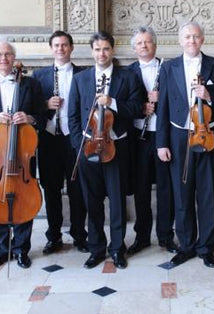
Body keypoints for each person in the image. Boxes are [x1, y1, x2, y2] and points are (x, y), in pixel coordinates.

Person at [156, 22, 214, 268]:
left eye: (196, 36)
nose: (191, 40)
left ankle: (206, 247)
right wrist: (162, 143)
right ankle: (187, 245)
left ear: (202, 40)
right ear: (180, 40)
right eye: (187, 36)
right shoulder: (169, 67)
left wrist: (209, 96)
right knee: (182, 195)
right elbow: (163, 107)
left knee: (208, 194)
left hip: (208, 137)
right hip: (179, 138)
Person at [68, 31, 145, 269]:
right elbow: (72, 114)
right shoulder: (81, 79)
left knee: (117, 201)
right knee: (92, 201)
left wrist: (111, 102)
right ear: (92, 52)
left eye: (106, 49)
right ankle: (96, 248)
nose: (102, 54)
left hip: (116, 148)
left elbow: (136, 109)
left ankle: (117, 249)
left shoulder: (128, 77)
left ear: (113, 50)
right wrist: (78, 145)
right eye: (97, 49)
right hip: (88, 148)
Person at [0, 41, 45, 269]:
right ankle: (1, 250)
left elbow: (42, 117)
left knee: (25, 199)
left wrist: (30, 119)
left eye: (8, 54)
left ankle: (22, 250)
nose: (3, 58)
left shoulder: (30, 85)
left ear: (14, 58)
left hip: (23, 154)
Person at [32, 31, 88, 255]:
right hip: (48, 139)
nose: (60, 49)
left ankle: (79, 235)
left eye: (64, 45)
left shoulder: (83, 74)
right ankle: (53, 236)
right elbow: (29, 107)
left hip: (74, 139)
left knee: (77, 190)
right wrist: (45, 104)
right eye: (56, 45)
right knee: (51, 190)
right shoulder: (39, 76)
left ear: (71, 48)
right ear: (51, 48)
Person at [126, 26, 177, 256]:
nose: (144, 46)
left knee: (166, 188)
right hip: (139, 137)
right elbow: (124, 105)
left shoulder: (169, 68)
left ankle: (166, 236)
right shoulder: (127, 72)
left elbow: (177, 99)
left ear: (155, 45)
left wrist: (160, 96)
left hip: (163, 135)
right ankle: (142, 236)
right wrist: (142, 106)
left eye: (147, 42)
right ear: (134, 47)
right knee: (141, 188)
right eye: (139, 43)